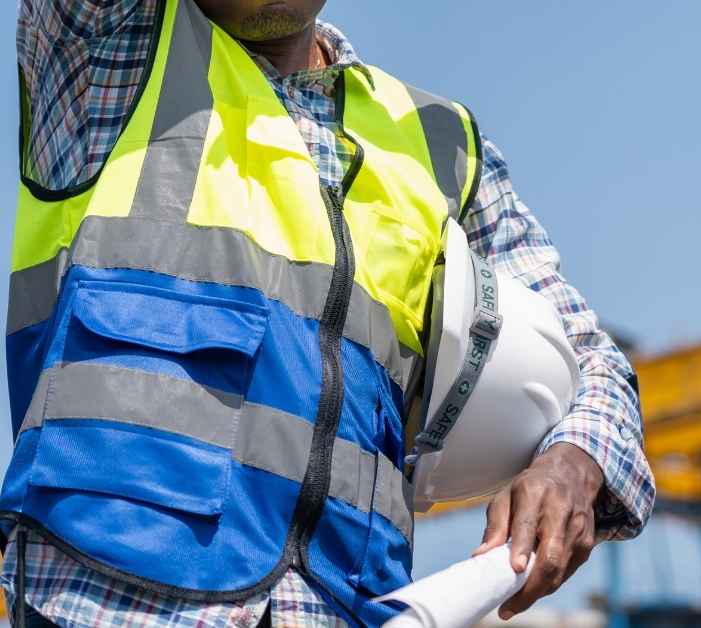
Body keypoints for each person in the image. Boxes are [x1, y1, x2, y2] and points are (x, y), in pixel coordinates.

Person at [1, 1, 655, 626]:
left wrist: (573, 461)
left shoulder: (439, 147)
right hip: (116, 604)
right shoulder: (109, 49)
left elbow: (592, 365)